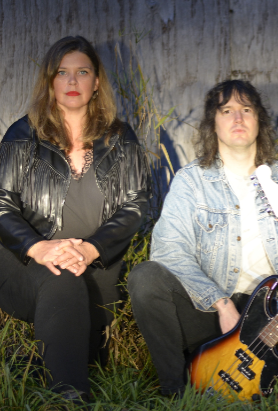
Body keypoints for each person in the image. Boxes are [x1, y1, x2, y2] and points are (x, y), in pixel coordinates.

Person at [128, 79, 278, 397]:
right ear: (213, 123)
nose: (238, 118)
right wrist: (221, 303)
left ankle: (247, 366)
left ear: (259, 120)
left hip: (268, 310)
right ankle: (176, 388)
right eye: (226, 111)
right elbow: (169, 251)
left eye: (246, 110)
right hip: (209, 311)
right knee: (146, 277)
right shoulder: (192, 181)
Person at [0, 36, 151, 402]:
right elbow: (1, 203)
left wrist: (90, 249)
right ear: (50, 81)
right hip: (26, 263)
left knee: (76, 315)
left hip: (97, 265)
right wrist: (38, 248)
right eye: (62, 72)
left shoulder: (120, 138)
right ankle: (69, 400)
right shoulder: (23, 134)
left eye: (82, 72)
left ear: (96, 82)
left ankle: (41, 370)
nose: (72, 81)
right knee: (62, 278)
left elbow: (136, 204)